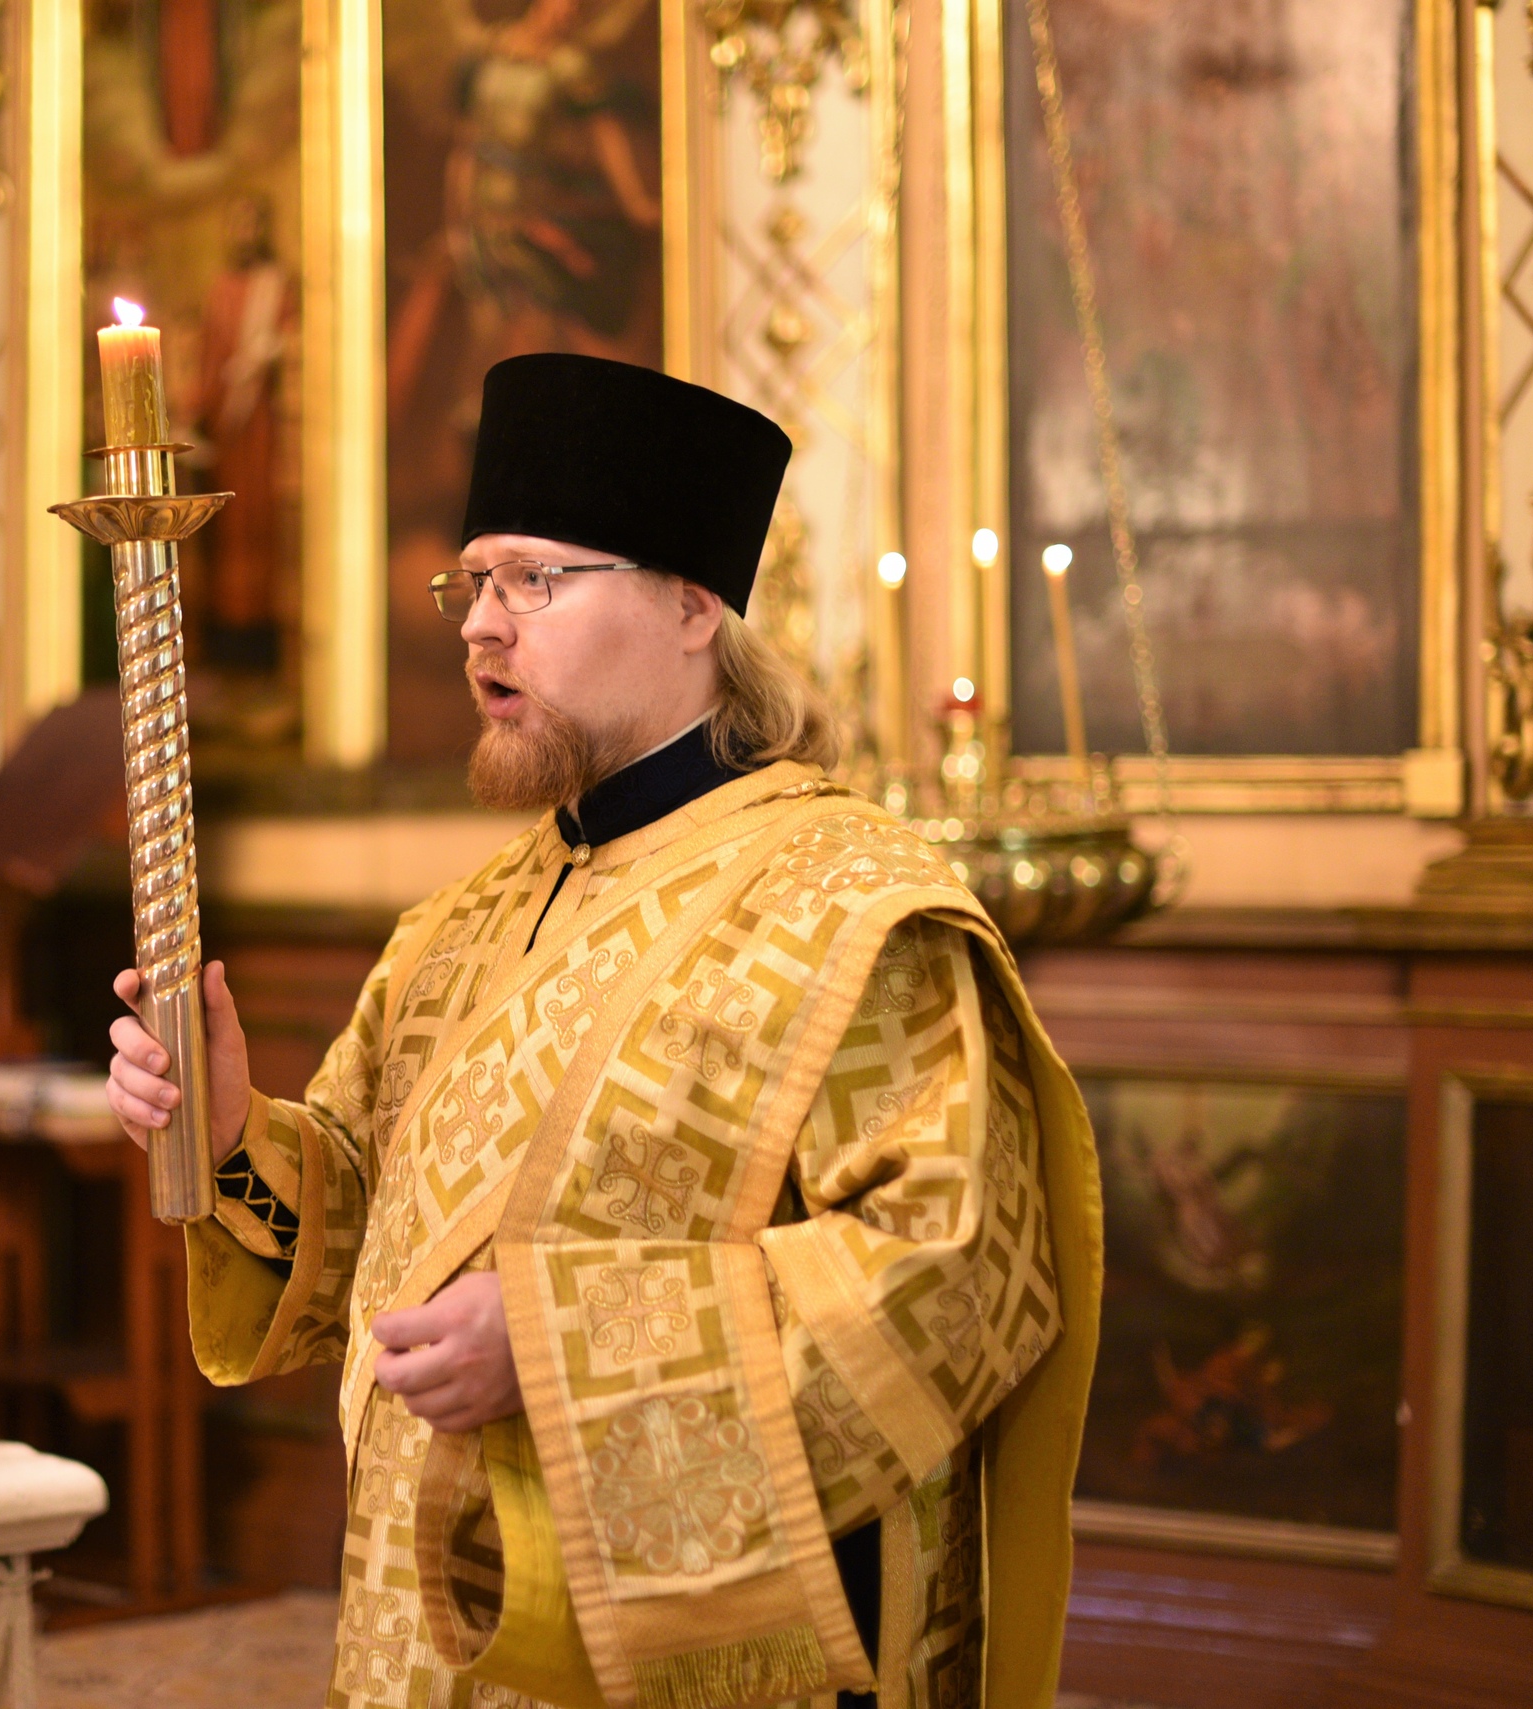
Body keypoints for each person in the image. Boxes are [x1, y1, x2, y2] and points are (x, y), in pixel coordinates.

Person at [107, 354, 1101, 1709]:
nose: (480, 627)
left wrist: (560, 1341)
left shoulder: (852, 908)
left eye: (534, 578)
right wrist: (234, 1133)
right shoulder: (453, 928)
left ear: (697, 604)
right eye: (471, 582)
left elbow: (955, 1282)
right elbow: (363, 1242)